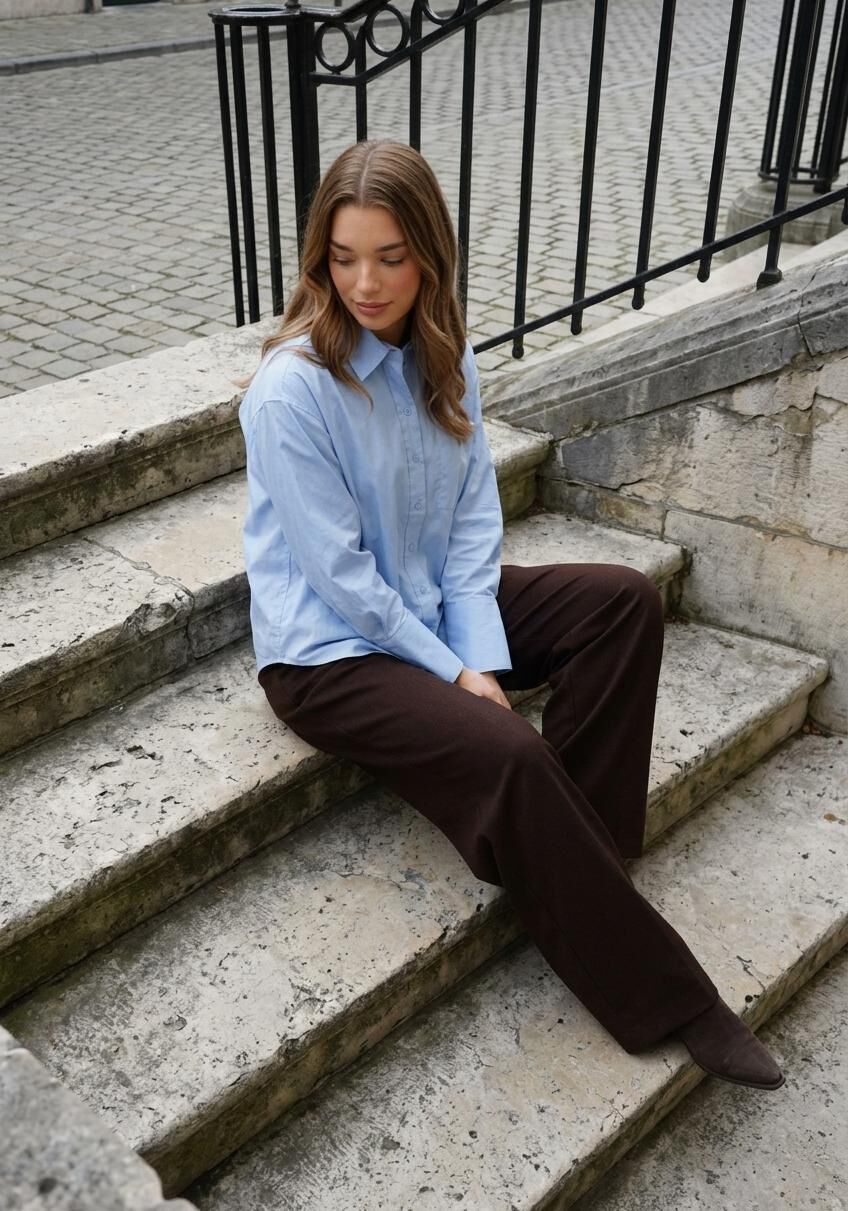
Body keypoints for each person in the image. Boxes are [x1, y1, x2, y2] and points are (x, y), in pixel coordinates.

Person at [238, 138, 784, 1091]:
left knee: (621, 603)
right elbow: (341, 577)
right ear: (320, 257)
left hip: (424, 599)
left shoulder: (444, 356)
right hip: (330, 651)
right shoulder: (294, 390)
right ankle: (674, 1001)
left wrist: (476, 649)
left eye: (390, 258)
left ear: (430, 256)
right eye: (343, 257)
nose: (365, 283)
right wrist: (456, 672)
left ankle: (584, 864)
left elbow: (469, 528)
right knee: (512, 752)